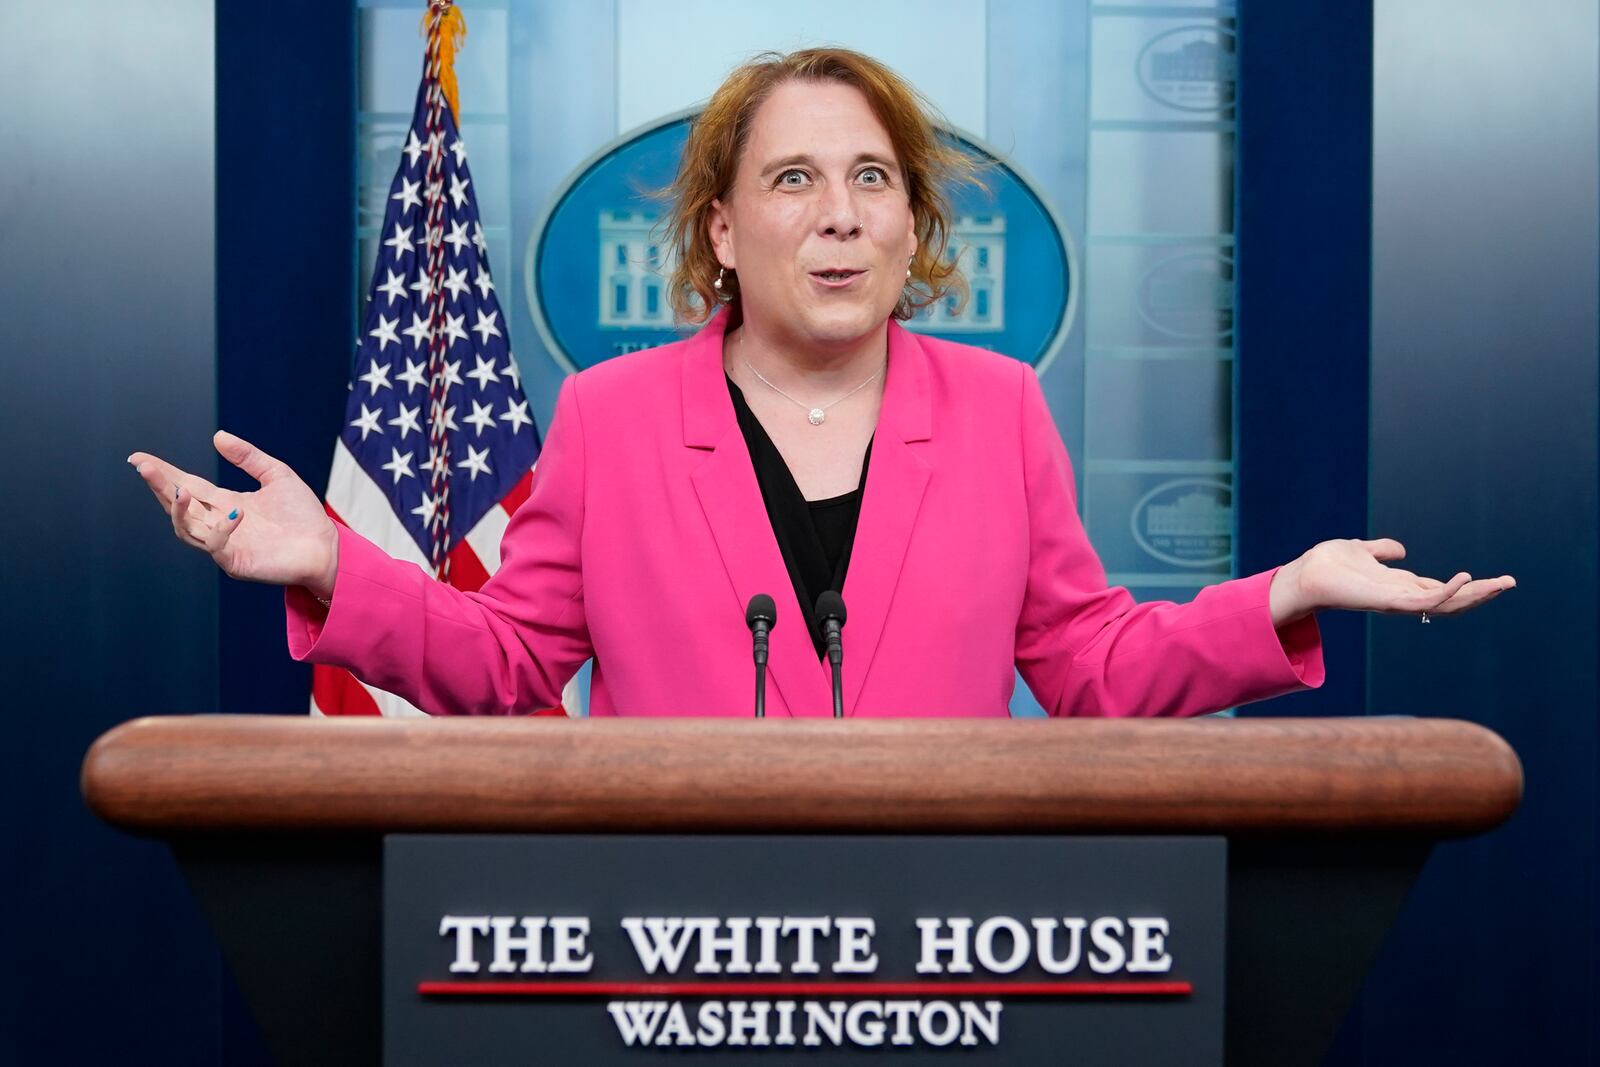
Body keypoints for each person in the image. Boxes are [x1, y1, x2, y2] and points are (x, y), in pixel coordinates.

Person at [128, 48, 1513, 718]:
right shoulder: (613, 419)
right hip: (657, 958)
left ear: (914, 226)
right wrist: (334, 569)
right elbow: (511, 667)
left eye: (872, 181)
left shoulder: (997, 413)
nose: (840, 214)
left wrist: (1284, 595)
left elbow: (1091, 666)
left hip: (950, 961)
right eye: (793, 179)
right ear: (722, 232)